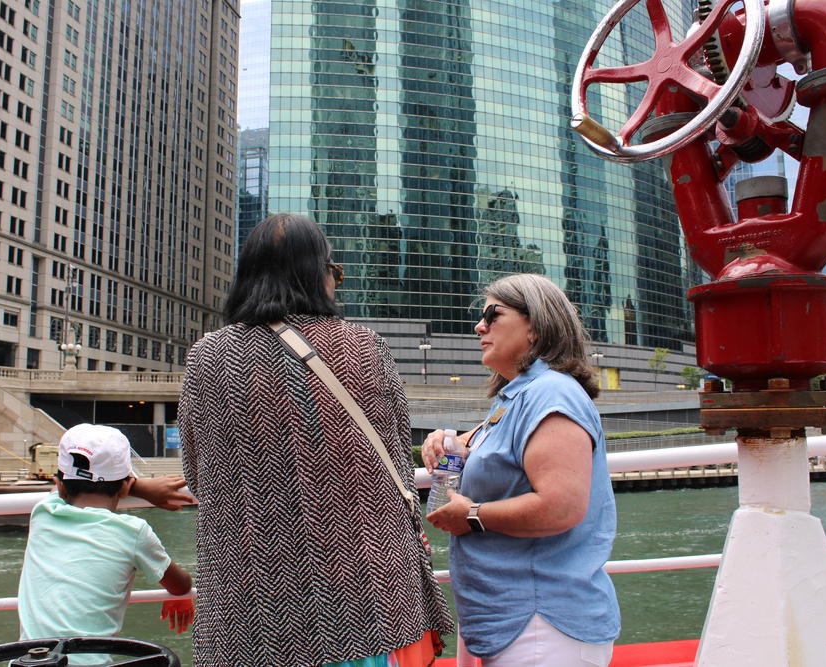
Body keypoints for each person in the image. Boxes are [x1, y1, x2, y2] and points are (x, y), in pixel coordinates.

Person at [178, 213, 454, 667]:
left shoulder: (208, 355)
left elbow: (196, 470)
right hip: (371, 592)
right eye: (334, 272)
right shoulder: (366, 347)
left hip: (251, 601)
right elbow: (398, 460)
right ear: (317, 274)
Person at [423, 274, 620, 667]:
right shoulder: (514, 399)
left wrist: (473, 517)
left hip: (543, 624)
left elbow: (561, 507)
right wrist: (447, 444)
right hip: (517, 624)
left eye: (492, 315)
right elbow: (481, 464)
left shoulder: (552, 393)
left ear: (534, 326)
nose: (480, 326)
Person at [17, 423, 194, 664]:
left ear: (60, 485)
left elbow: (57, 488)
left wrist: (137, 488)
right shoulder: (132, 531)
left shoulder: (43, 512)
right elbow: (180, 584)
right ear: (124, 487)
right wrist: (138, 487)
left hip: (30, 662)